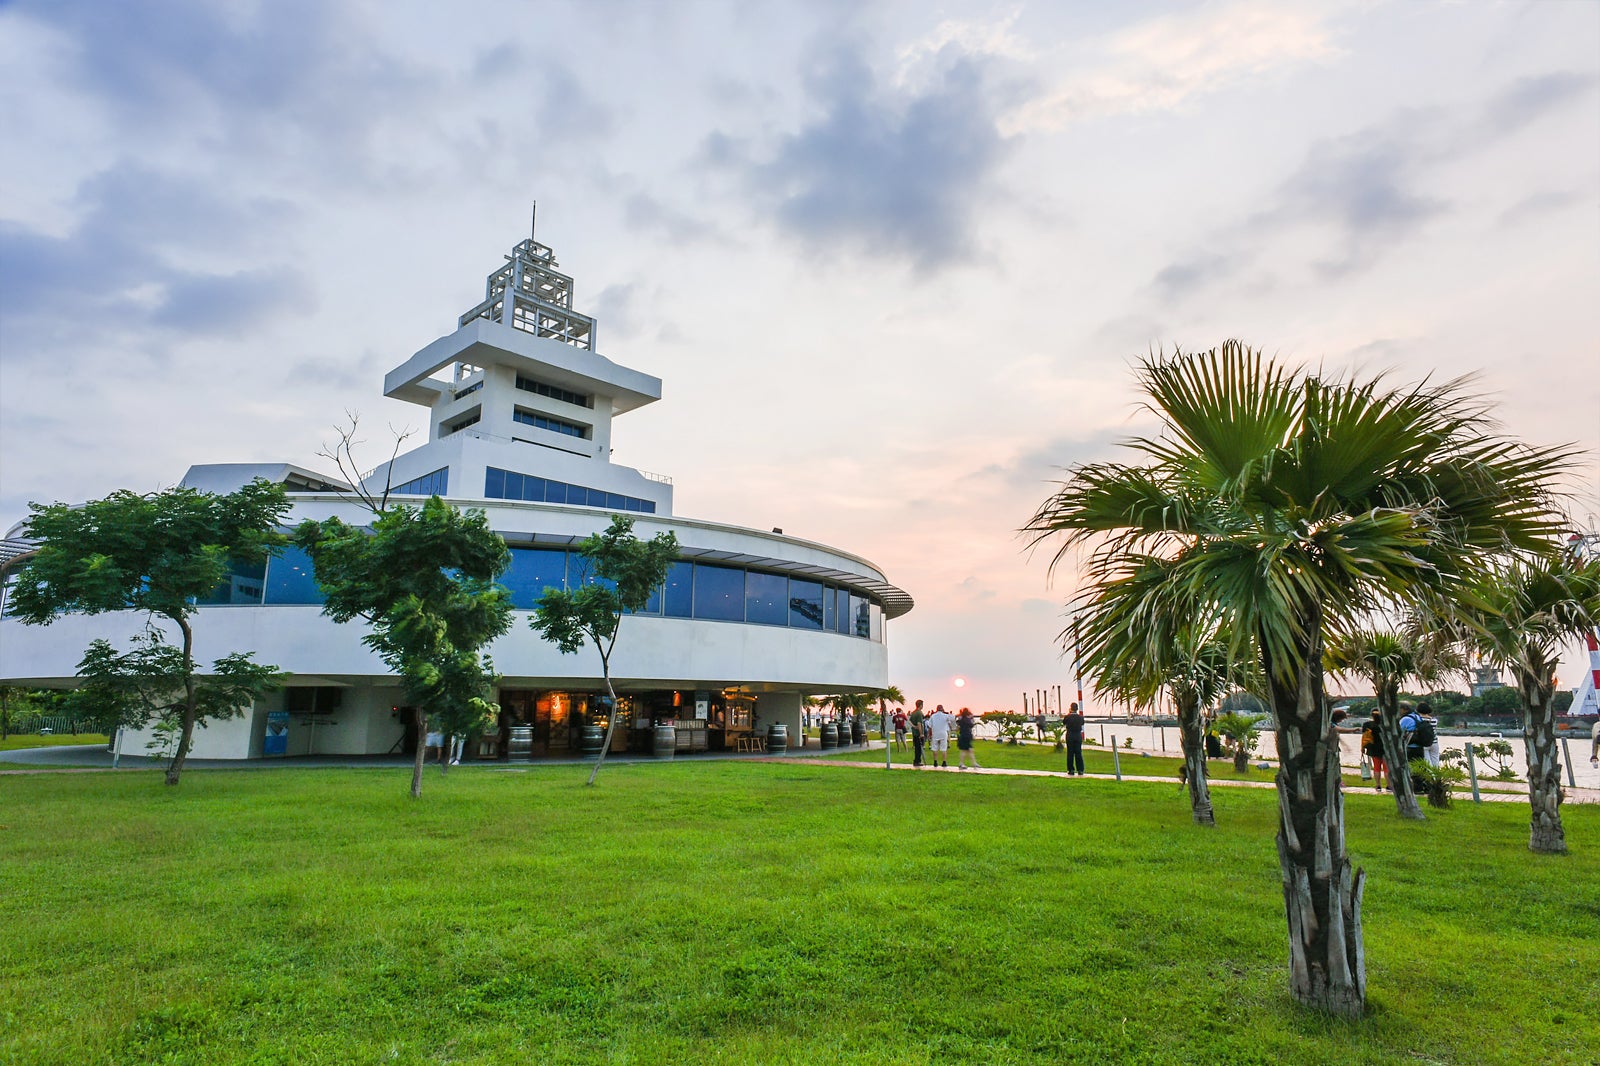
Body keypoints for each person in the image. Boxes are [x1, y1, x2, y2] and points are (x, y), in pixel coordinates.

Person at [1361, 710, 1387, 791]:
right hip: (1385, 748)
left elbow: (1364, 737)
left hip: (1373, 748)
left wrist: (1362, 747)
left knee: (1376, 767)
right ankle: (1389, 785)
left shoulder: (1367, 725)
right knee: (1387, 768)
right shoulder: (1385, 725)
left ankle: (1378, 785)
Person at [927, 703, 954, 768]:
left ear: (936, 709)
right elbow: (950, 722)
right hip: (943, 733)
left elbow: (930, 726)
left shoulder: (933, 716)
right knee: (944, 748)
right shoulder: (945, 715)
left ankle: (935, 762)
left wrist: (930, 734)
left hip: (935, 733)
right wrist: (951, 728)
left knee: (935, 748)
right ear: (942, 709)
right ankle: (944, 762)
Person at [1064, 702, 1085, 776]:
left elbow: (1064, 722)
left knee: (1070, 753)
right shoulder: (1080, 717)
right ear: (1077, 709)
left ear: (1071, 708)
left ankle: (1071, 769)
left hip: (1070, 735)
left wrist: (1069, 713)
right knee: (1078, 753)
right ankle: (1080, 770)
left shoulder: (1067, 717)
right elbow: (1082, 723)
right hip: (1078, 735)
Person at [909, 699, 927, 767]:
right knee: (919, 748)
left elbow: (909, 721)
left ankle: (916, 760)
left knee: (917, 747)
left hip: (914, 733)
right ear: (921, 705)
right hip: (918, 733)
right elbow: (919, 723)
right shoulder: (919, 713)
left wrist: (913, 726)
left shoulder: (913, 712)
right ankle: (917, 761)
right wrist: (921, 733)